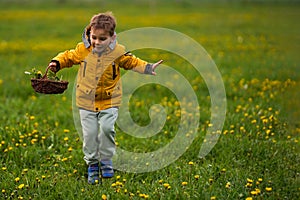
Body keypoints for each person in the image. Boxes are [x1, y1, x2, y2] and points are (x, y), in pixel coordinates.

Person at [47, 11, 163, 184]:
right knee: (90, 135)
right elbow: (68, 56)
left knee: (108, 129)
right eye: (94, 37)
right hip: (86, 101)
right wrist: (56, 62)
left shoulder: (118, 52)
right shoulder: (83, 50)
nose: (97, 42)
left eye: (102, 39)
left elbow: (132, 62)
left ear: (112, 37)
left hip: (109, 100)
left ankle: (106, 159)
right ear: (89, 34)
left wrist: (147, 67)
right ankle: (92, 163)